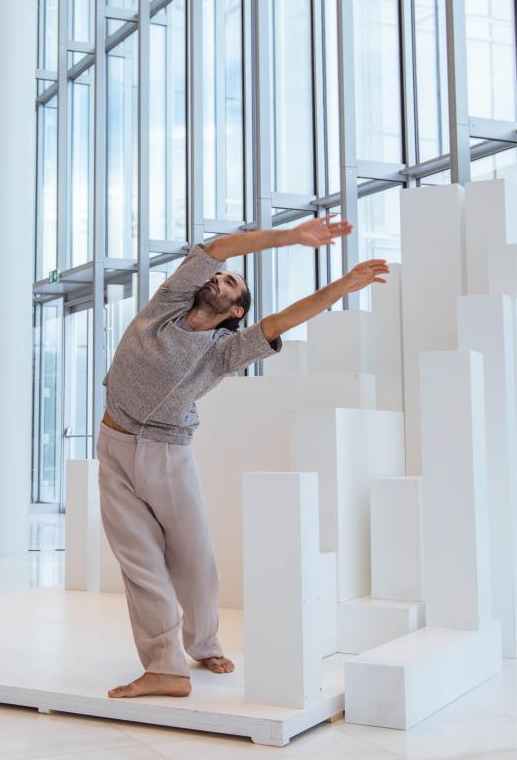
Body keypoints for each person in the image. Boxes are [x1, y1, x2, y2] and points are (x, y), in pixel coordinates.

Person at [97, 215, 390, 699]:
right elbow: (219, 248)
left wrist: (342, 286)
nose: (219, 278)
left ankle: (204, 643)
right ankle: (165, 667)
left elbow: (285, 319)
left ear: (236, 311)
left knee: (194, 561)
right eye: (219, 276)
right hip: (114, 445)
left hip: (168, 453)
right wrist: (291, 236)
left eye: (231, 283)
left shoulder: (225, 350)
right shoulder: (165, 306)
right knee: (139, 562)